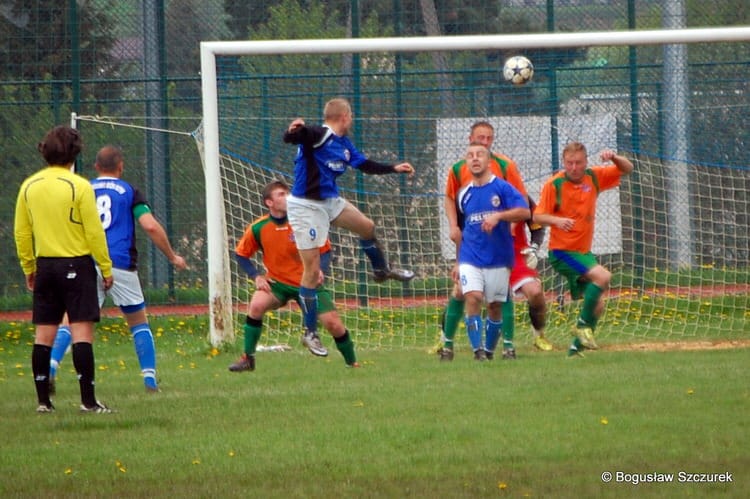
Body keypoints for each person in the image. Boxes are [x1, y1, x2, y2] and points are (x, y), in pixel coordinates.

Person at [48, 145, 188, 393]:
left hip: (85, 261)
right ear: (121, 166)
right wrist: (172, 256)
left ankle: (50, 367)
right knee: (137, 321)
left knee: (72, 320)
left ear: (96, 167)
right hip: (119, 262)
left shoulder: (81, 189)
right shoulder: (129, 191)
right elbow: (150, 226)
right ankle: (150, 380)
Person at [283, 97, 415, 354]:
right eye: (351, 115)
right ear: (344, 116)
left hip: (329, 201)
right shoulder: (320, 134)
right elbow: (299, 135)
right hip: (305, 206)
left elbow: (364, 165)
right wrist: (292, 130)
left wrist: (393, 168)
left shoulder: (344, 144)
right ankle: (310, 333)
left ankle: (381, 271)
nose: (352, 119)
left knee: (367, 227)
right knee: (311, 271)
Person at [13, 125, 114, 413]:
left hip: (45, 266)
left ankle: (43, 401)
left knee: (43, 335)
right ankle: (88, 401)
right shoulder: (79, 186)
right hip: (77, 264)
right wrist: (105, 268)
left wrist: (29, 267)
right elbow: (94, 233)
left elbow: (22, 233)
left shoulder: (29, 186)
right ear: (74, 154)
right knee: (82, 331)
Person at [438, 121, 552, 362]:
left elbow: (525, 206)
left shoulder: (505, 171)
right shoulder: (460, 181)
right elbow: (454, 205)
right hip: (474, 250)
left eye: (489, 139)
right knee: (466, 293)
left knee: (502, 300)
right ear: (469, 140)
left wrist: (509, 225)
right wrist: (454, 230)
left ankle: (514, 343)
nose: (484, 143)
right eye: (479, 138)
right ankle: (450, 344)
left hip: (506, 247)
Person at [228, 179, 359, 371]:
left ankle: (352, 363)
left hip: (308, 284)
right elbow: (241, 254)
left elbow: (325, 250)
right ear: (269, 202)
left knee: (334, 325)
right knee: (256, 305)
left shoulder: (304, 222)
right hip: (278, 284)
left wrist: (320, 269)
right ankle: (248, 359)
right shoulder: (258, 227)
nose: (287, 197)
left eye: (288, 193)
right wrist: (256, 276)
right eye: (281, 194)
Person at [533, 141, 634, 357]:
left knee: (597, 305)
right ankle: (581, 327)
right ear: (564, 162)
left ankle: (576, 349)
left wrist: (614, 157)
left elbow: (628, 169)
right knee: (603, 276)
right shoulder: (554, 185)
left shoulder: (594, 177)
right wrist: (556, 221)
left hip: (582, 253)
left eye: (578, 163)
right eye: (569, 163)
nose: (574, 167)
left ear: (586, 162)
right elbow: (536, 216)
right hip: (561, 252)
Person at [456, 142, 530, 361]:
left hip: (498, 256)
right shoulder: (463, 194)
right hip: (470, 256)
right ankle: (477, 352)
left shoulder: (502, 188)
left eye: (480, 155)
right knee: (473, 297)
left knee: (494, 305)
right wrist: (458, 260)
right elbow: (463, 228)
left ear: (489, 161)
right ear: (467, 162)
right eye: (470, 155)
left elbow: (524, 211)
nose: (475, 159)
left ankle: (489, 351)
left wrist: (499, 216)